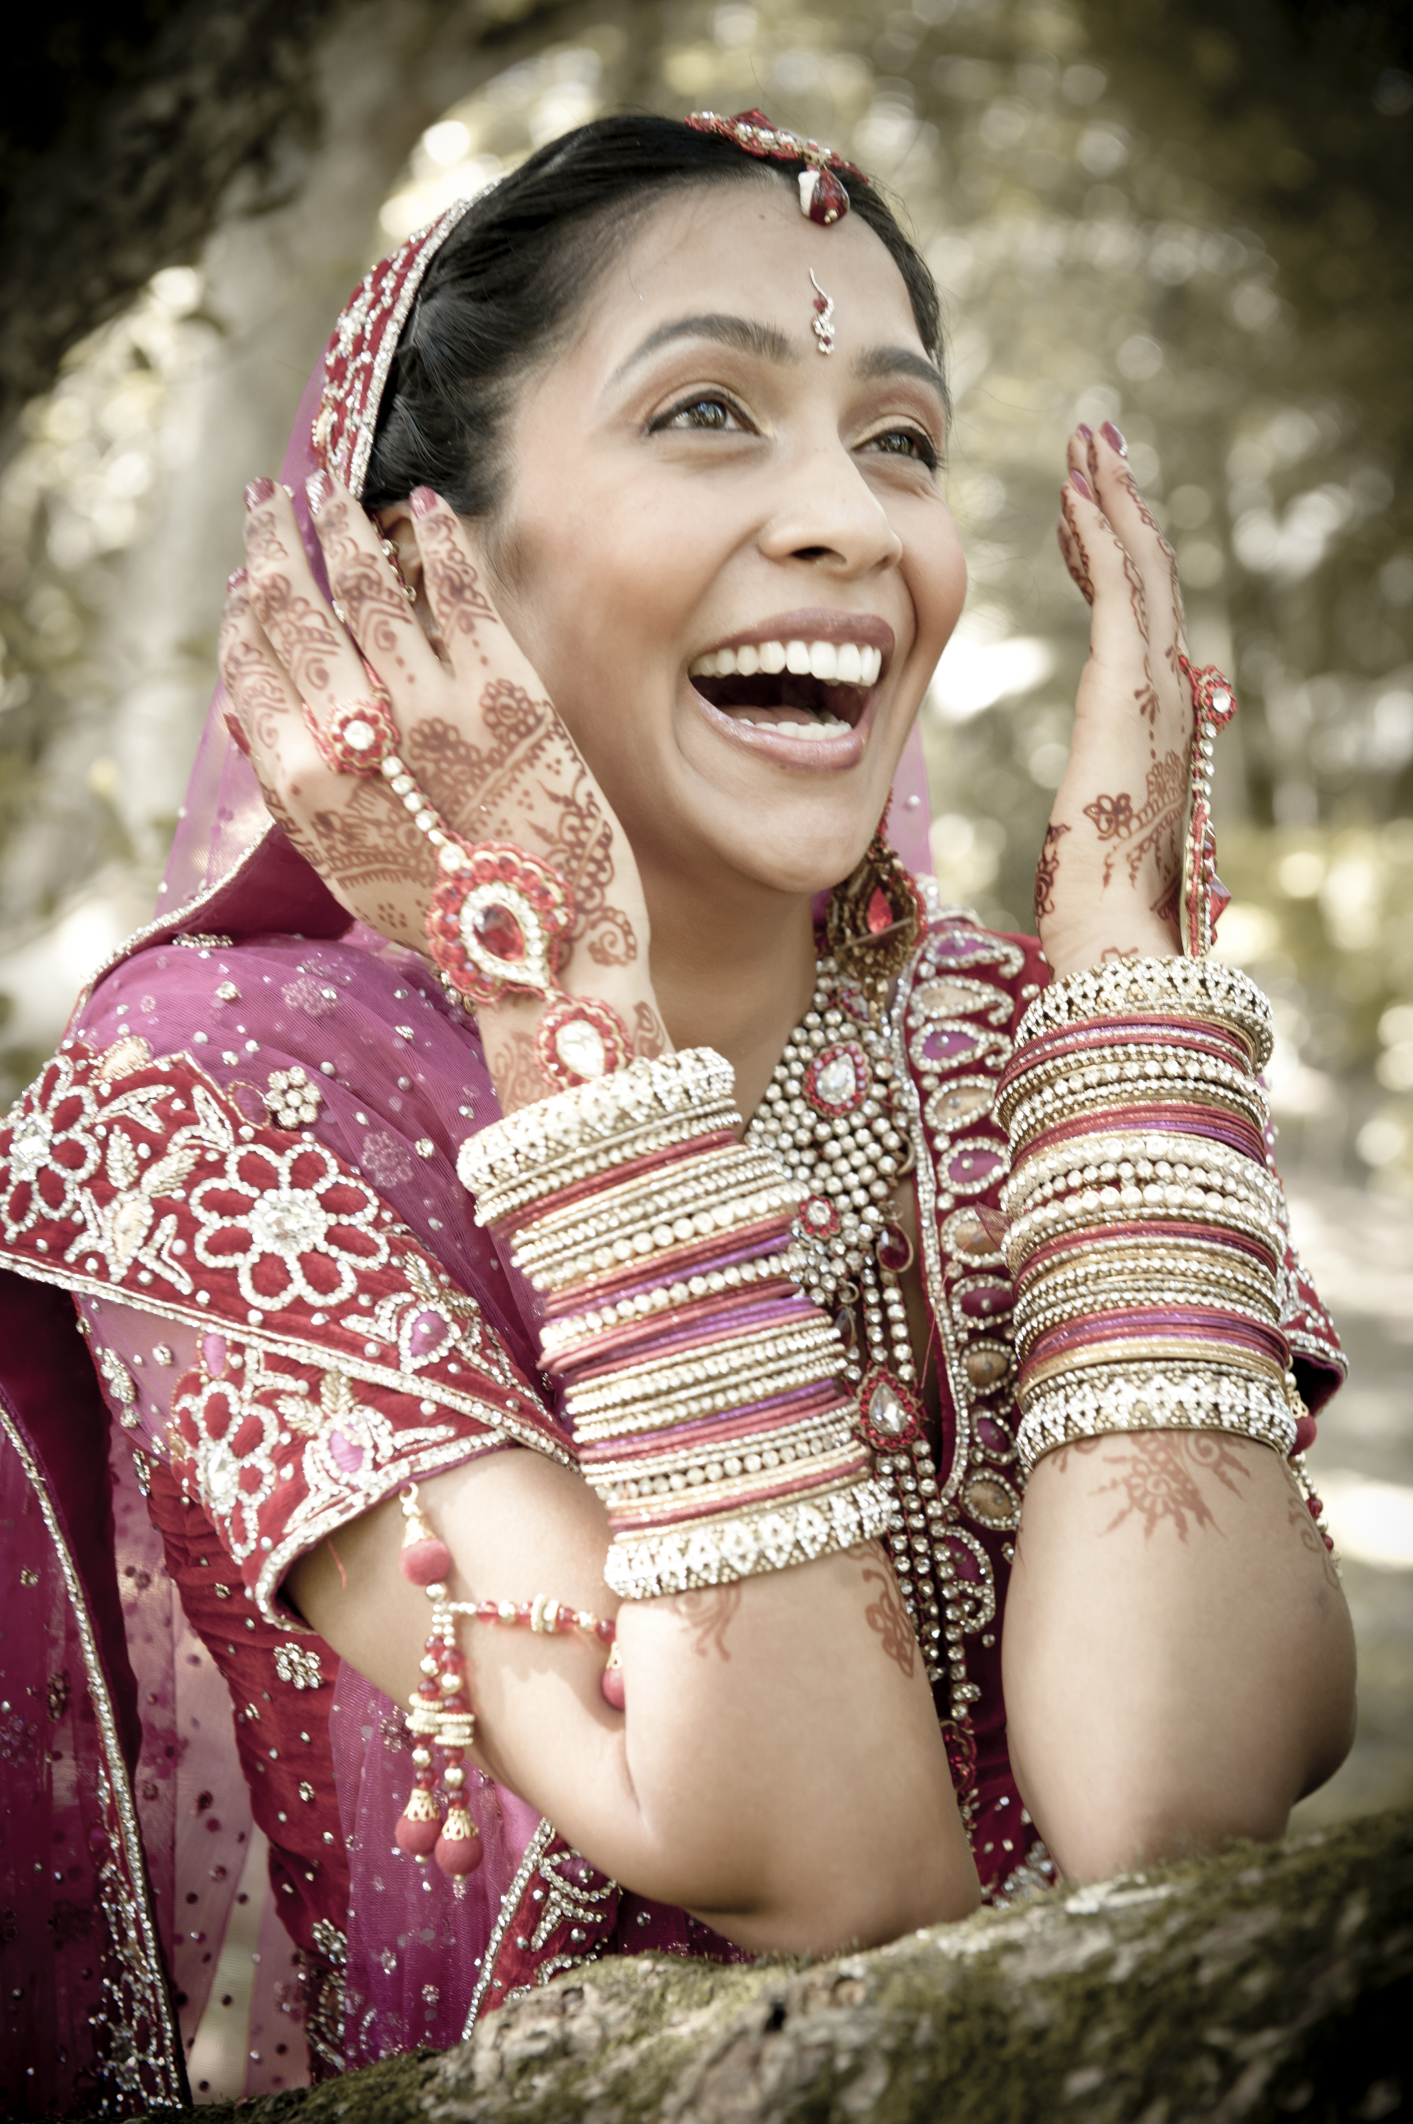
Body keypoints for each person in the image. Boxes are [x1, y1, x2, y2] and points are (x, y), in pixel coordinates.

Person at [0, 111, 1355, 2115]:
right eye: (709, 411)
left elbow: (1176, 1808)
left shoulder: (1020, 1037)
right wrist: (568, 1016)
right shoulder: (222, 1100)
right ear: (415, 568)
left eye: (898, 440)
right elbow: (834, 1872)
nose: (849, 523)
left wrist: (1124, 978)